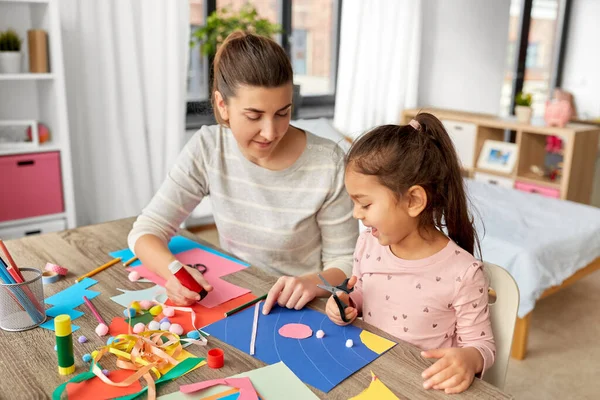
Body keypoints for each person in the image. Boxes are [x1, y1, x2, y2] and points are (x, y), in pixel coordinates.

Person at [128, 32, 357, 310]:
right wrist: (173, 271)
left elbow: (346, 261)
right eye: (254, 116)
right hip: (235, 299)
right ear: (223, 106)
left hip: (305, 307)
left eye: (283, 113)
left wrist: (312, 282)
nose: (271, 132)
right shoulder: (209, 146)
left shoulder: (328, 161)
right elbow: (146, 229)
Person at [326, 113, 495, 394]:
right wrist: (346, 304)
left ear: (414, 200)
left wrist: (468, 359)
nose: (357, 214)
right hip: (369, 374)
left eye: (365, 205)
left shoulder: (464, 273)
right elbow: (364, 292)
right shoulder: (368, 245)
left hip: (421, 388)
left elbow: (482, 347)